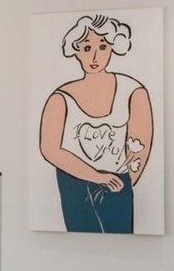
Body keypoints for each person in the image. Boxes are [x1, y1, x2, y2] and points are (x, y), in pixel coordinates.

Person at [38, 14, 153, 233]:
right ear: (76, 50)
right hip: (73, 181)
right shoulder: (60, 98)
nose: (94, 56)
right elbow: (50, 149)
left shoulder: (133, 91)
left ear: (113, 47)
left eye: (102, 46)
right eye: (86, 47)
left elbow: (141, 142)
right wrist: (96, 177)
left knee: (121, 238)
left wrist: (123, 183)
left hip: (118, 181)